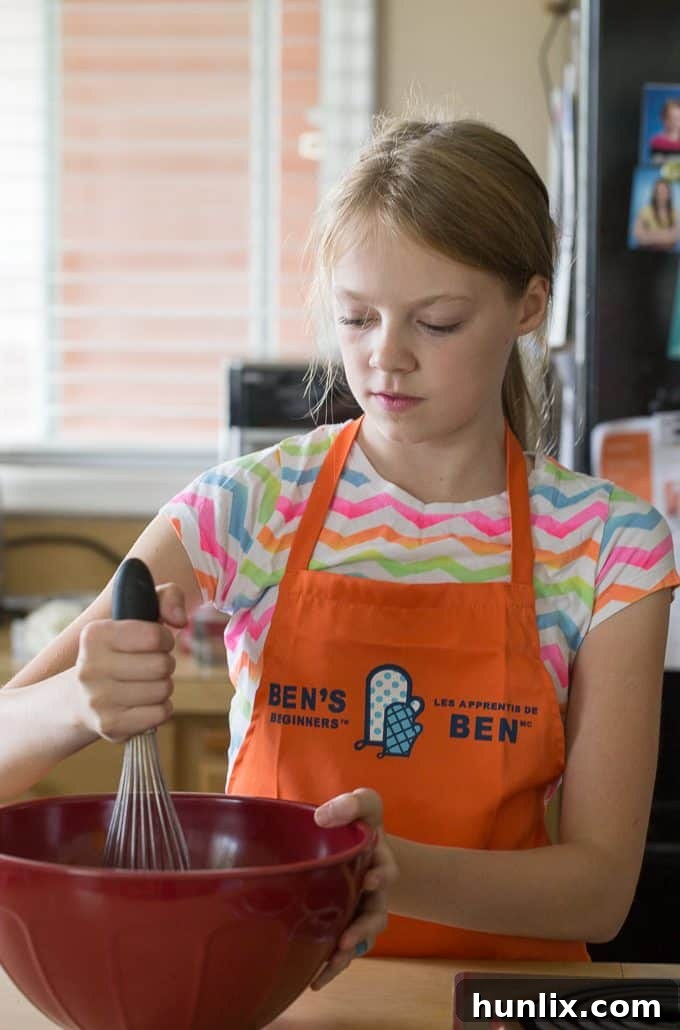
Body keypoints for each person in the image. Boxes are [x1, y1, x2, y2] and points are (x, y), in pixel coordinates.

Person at [2, 116, 679, 985]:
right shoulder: (249, 508)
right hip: (270, 995)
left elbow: (598, 892)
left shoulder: (607, 546)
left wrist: (388, 868)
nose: (385, 357)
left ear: (529, 307)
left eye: (436, 323)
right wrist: (76, 703)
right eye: (356, 317)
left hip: (501, 999)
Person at [632, 177, 680, 250]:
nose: (662, 195)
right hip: (646, 252)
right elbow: (637, 235)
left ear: (669, 194)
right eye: (659, 191)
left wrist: (649, 234)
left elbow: (675, 237)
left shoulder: (676, 212)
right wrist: (666, 235)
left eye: (665, 191)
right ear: (654, 194)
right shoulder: (645, 210)